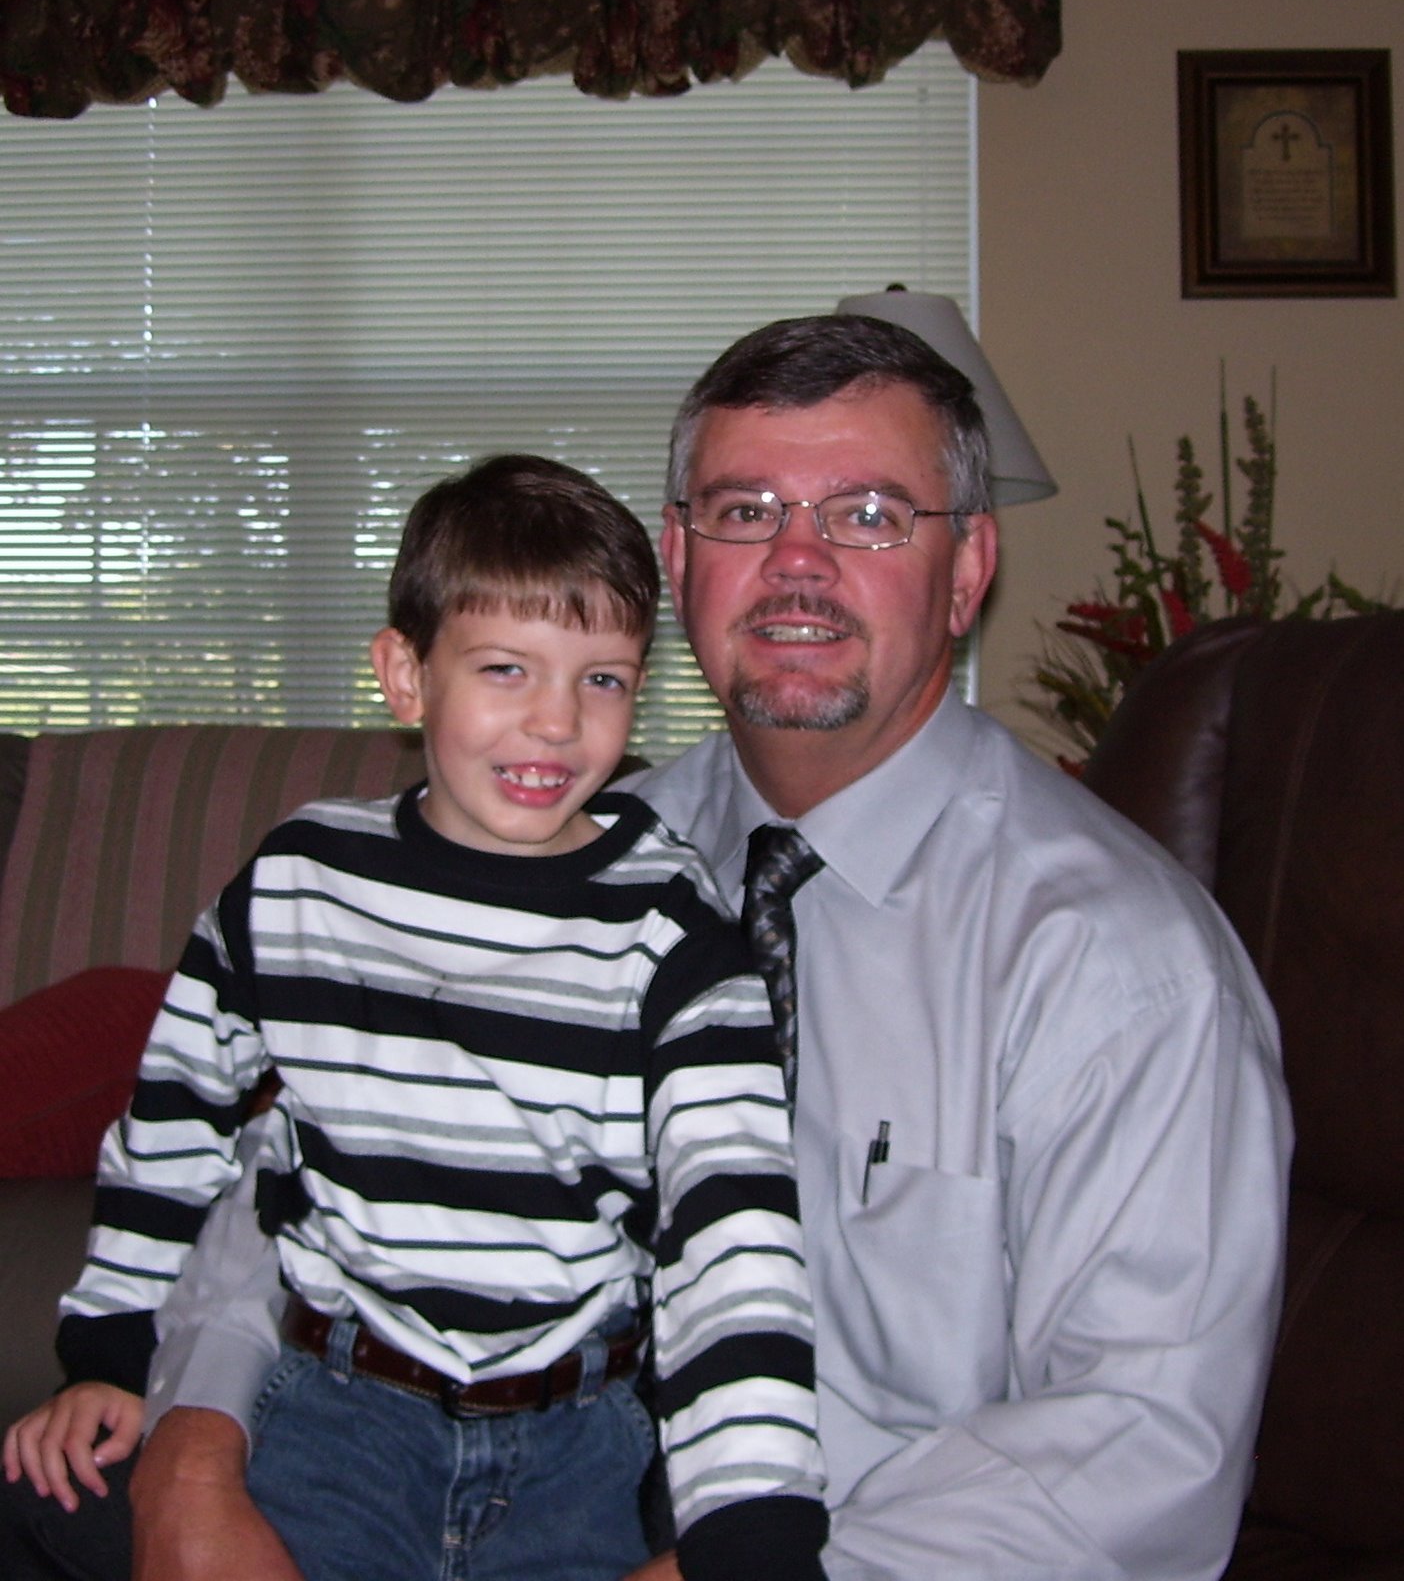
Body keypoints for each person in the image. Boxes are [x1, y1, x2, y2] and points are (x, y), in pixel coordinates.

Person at [68, 313, 1291, 1581]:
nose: (798, 561)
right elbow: (321, 1139)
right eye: (745, 511)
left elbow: (1145, 1443)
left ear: (968, 566)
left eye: (870, 514)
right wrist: (195, 1436)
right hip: (427, 1466)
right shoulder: (569, 853)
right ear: (678, 553)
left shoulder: (1123, 968)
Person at [1, 454, 828, 1581]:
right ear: (405, 676)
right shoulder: (299, 884)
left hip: (579, 1436)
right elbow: (173, 1125)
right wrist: (106, 1352)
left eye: (603, 680)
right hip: (339, 1412)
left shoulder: (675, 928)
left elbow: (735, 1228)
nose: (556, 722)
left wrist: (754, 1526)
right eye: (506, 668)